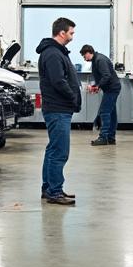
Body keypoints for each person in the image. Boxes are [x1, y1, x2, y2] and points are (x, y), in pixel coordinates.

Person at [36, 17, 80, 205]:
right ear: (61, 33)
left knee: (53, 149)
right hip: (58, 108)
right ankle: (55, 192)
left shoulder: (56, 52)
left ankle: (49, 188)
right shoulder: (53, 53)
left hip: (57, 108)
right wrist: (72, 96)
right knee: (60, 151)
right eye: (71, 32)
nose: (72, 36)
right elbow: (58, 81)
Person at [80, 44, 122, 146]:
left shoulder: (100, 60)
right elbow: (102, 77)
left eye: (84, 56)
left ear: (88, 52)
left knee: (104, 112)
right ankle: (111, 138)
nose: (85, 59)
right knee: (111, 114)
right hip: (111, 88)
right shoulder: (96, 59)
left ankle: (103, 137)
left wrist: (97, 86)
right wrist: (96, 86)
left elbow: (106, 75)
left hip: (111, 89)